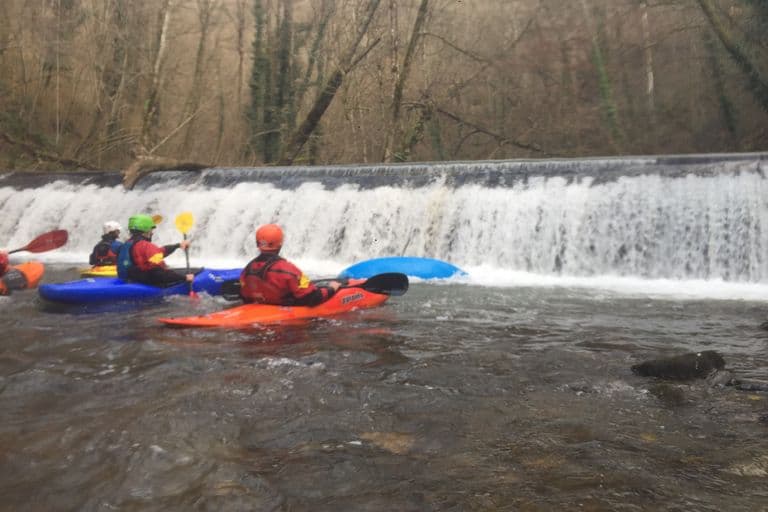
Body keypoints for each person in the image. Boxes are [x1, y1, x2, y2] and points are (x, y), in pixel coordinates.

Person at [239, 223, 341, 306]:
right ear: (280, 243)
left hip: (260, 311)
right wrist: (331, 288)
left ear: (258, 244)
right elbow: (311, 297)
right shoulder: (288, 270)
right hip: (286, 314)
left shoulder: (247, 270)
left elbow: (244, 295)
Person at [117, 214, 193, 287]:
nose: (152, 232)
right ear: (146, 230)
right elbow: (159, 274)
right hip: (144, 282)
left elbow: (160, 252)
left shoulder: (126, 244)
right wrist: (184, 278)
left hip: (129, 279)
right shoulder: (146, 246)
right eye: (151, 229)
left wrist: (178, 245)